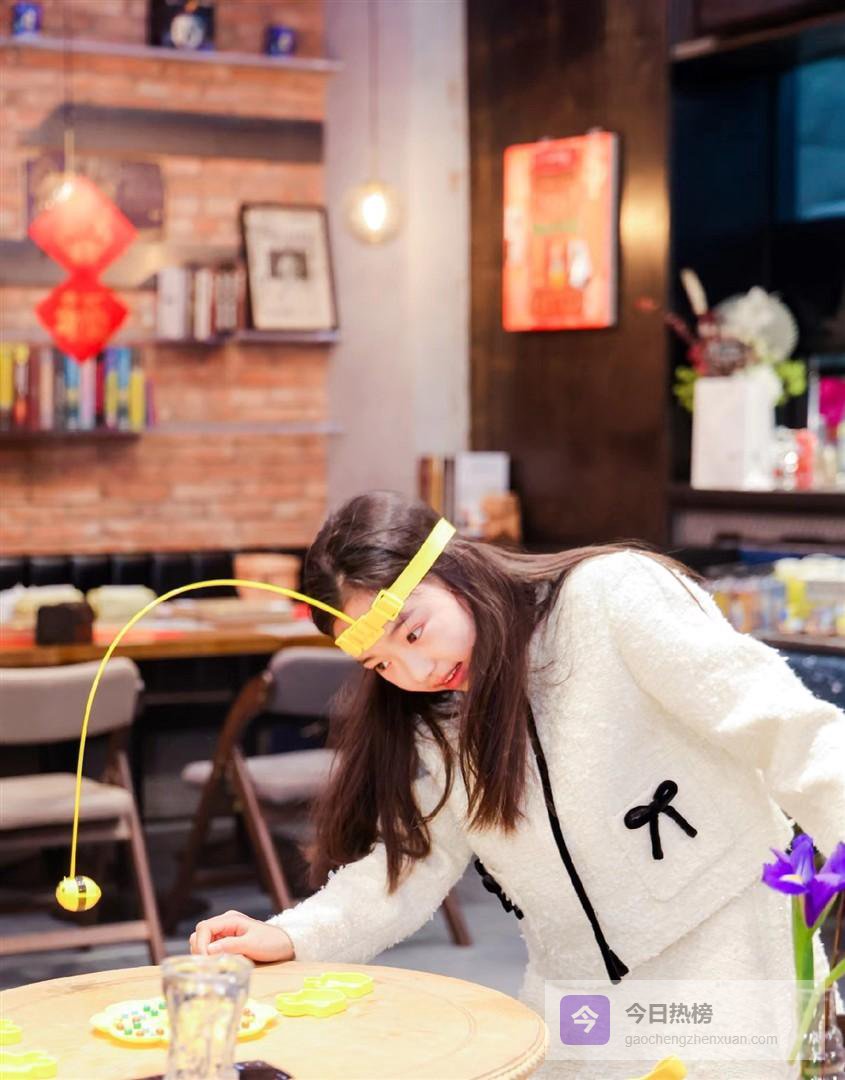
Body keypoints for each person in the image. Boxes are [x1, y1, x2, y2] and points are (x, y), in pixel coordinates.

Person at [191, 491, 845, 1078]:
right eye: (381, 662)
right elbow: (414, 862)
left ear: (455, 567)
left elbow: (791, 730)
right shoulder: (439, 719)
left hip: (726, 967)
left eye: (414, 631)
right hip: (580, 1008)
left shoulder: (612, 598)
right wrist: (292, 935)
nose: (416, 671)